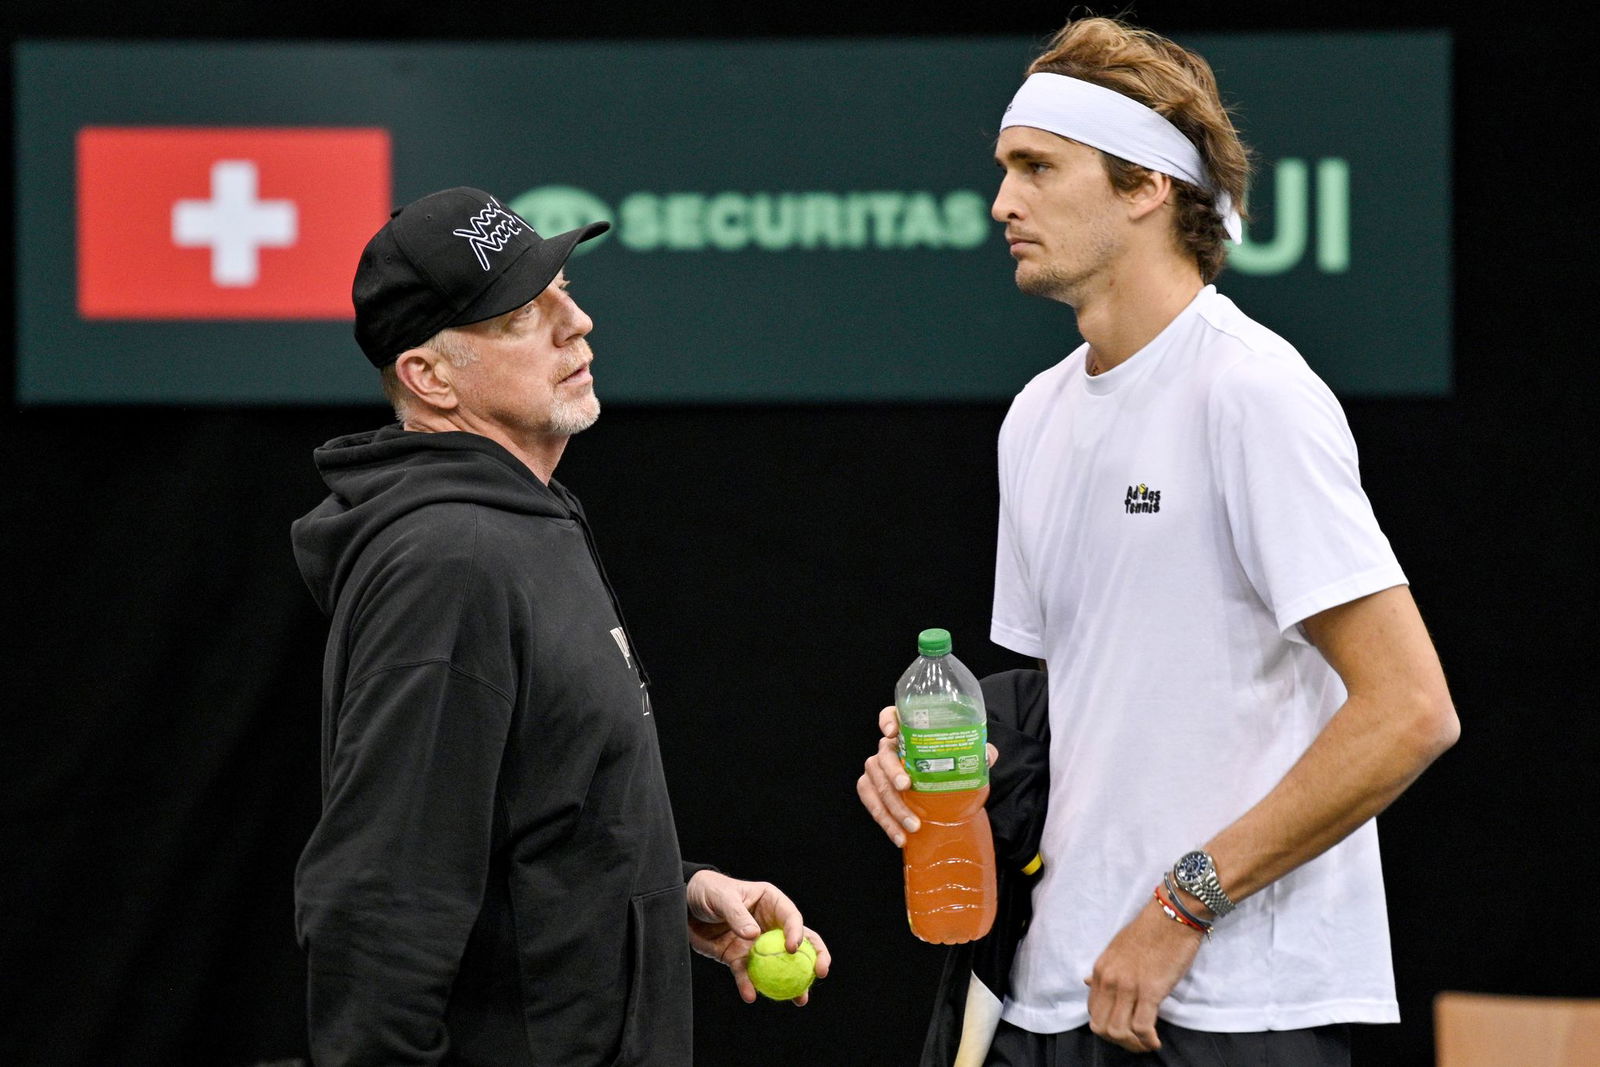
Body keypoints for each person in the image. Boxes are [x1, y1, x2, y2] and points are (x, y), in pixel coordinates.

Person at [858, 17, 1458, 1066]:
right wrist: (944, 760)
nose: (1002, 202)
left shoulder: (1252, 391)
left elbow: (1409, 710)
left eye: (1037, 167)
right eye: (1004, 170)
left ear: (1144, 187)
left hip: (1234, 1006)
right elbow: (1079, 707)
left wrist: (1185, 901)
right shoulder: (1034, 418)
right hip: (1056, 995)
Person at [291, 186, 829, 1066]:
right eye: (521, 316)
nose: (576, 323)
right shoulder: (451, 561)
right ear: (429, 376)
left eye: (564, 292)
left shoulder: (526, 520)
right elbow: (380, 906)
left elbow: (538, 811)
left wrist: (668, 895)